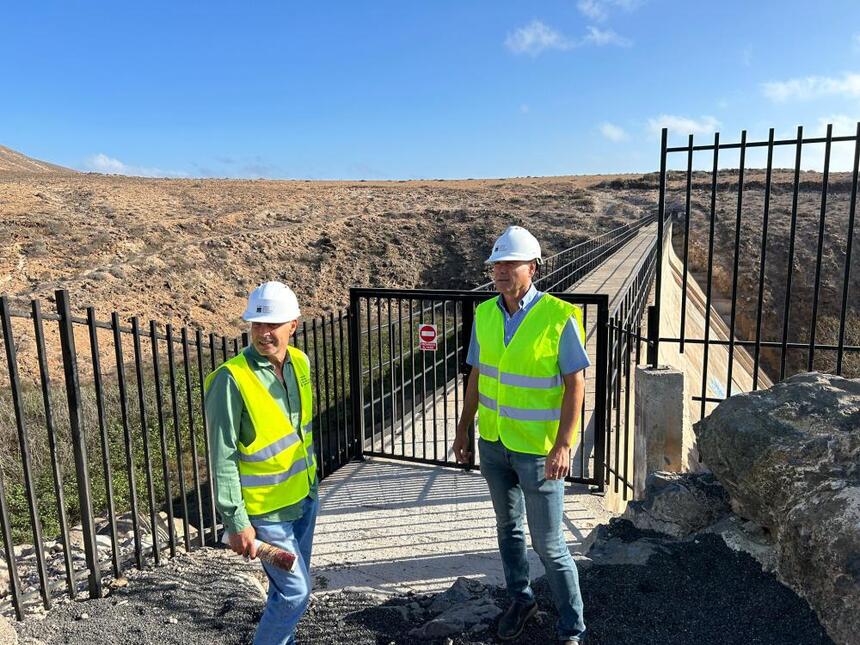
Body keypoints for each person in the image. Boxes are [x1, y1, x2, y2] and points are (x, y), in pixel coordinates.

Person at [452, 226, 589, 644]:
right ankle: (521, 599)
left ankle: (572, 627)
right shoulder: (486, 314)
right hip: (493, 442)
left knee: (549, 545)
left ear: (533, 267)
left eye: (510, 263)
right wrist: (463, 429)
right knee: (507, 528)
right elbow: (477, 373)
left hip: (538, 451)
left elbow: (576, 385)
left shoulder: (558, 316)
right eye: (496, 264)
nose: (501, 271)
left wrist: (564, 444)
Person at [205, 281, 318, 645]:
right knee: (295, 592)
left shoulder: (299, 362)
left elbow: (300, 431)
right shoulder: (231, 379)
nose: (264, 333)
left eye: (273, 325)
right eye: (257, 324)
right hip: (266, 511)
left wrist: (312, 486)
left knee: (281, 592)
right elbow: (222, 456)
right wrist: (236, 521)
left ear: (294, 325)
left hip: (303, 498)